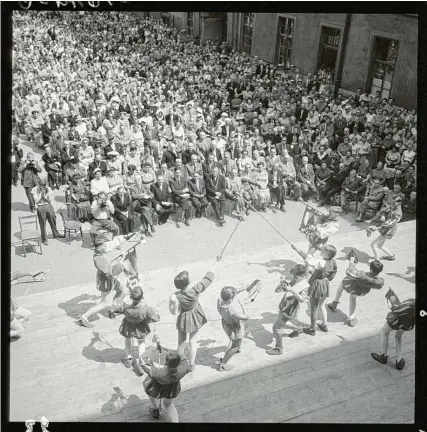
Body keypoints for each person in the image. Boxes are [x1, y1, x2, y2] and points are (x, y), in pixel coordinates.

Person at [79, 233, 141, 328]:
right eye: (103, 246)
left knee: (121, 291)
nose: (105, 247)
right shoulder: (99, 259)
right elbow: (113, 271)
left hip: (109, 278)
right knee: (105, 302)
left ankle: (113, 308)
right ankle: (85, 316)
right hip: (106, 282)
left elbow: (110, 246)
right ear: (98, 247)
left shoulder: (98, 251)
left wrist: (126, 237)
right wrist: (122, 260)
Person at [171, 255, 221, 372]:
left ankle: (178, 364)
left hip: (184, 318)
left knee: (181, 343)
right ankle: (191, 365)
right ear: (188, 282)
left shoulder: (176, 295)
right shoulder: (195, 289)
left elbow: (174, 310)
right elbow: (208, 279)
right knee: (193, 341)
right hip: (195, 316)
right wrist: (216, 262)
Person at [291, 243, 338, 336]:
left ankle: (312, 329)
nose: (321, 250)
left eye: (323, 250)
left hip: (317, 285)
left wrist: (297, 249)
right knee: (322, 305)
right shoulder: (333, 261)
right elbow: (333, 273)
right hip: (325, 284)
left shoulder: (321, 262)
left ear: (328, 254)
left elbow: (309, 260)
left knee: (313, 308)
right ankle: (324, 325)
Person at [109, 284, 160, 369]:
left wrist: (112, 311)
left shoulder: (125, 307)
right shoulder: (146, 309)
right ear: (142, 297)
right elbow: (156, 317)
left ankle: (128, 357)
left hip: (128, 327)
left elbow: (115, 308)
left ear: (131, 297)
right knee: (141, 343)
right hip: (140, 328)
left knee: (128, 340)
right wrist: (147, 319)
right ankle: (142, 361)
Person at [266, 264, 310, 355]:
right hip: (285, 303)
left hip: (291, 307)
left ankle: (278, 348)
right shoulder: (296, 278)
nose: (293, 277)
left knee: (276, 327)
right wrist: (284, 283)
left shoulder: (305, 285)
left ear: (302, 275)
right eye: (293, 275)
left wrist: (292, 290)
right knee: (282, 322)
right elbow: (288, 287)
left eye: (295, 276)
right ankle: (298, 329)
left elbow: (302, 299)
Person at [328, 257, 384, 327]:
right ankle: (351, 317)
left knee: (342, 285)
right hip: (363, 291)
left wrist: (352, 262)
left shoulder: (362, 275)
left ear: (371, 269)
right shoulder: (379, 281)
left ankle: (335, 303)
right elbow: (377, 284)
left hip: (353, 287)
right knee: (353, 298)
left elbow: (349, 272)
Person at [139, 350, 192, 422]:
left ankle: (155, 409)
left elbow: (143, 363)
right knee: (169, 405)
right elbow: (184, 358)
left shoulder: (158, 373)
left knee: (153, 401)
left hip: (155, 389)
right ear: (179, 363)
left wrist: (150, 350)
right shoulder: (183, 369)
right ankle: (175, 422)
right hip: (172, 389)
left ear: (166, 362)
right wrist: (174, 354)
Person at [371, 296, 415, 371]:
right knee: (398, 337)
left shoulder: (412, 303)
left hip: (396, 321)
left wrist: (393, 300)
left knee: (384, 332)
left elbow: (397, 310)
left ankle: (383, 356)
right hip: (408, 324)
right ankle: (399, 361)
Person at [216, 285, 251, 371]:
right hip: (235, 328)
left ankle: (236, 348)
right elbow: (246, 317)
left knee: (236, 342)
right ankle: (223, 364)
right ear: (230, 299)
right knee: (235, 345)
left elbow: (232, 293)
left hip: (226, 323)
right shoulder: (232, 310)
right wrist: (243, 305)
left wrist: (244, 287)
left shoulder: (219, 300)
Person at [368, 195, 403, 261]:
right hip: (386, 227)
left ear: (399, 203)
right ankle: (391, 256)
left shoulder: (398, 213)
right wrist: (383, 215)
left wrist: (376, 228)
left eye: (394, 202)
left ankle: (377, 261)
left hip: (389, 229)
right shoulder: (393, 206)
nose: (392, 203)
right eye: (392, 201)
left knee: (373, 244)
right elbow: (383, 210)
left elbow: (390, 224)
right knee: (380, 245)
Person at [31, 178, 63, 245]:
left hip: (48, 206)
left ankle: (55, 234)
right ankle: (44, 239)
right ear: (39, 184)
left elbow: (50, 200)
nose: (43, 186)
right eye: (41, 184)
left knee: (53, 219)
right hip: (40, 207)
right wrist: (41, 194)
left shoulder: (48, 188)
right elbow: (36, 201)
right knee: (42, 223)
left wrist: (46, 196)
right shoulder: (34, 189)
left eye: (44, 184)